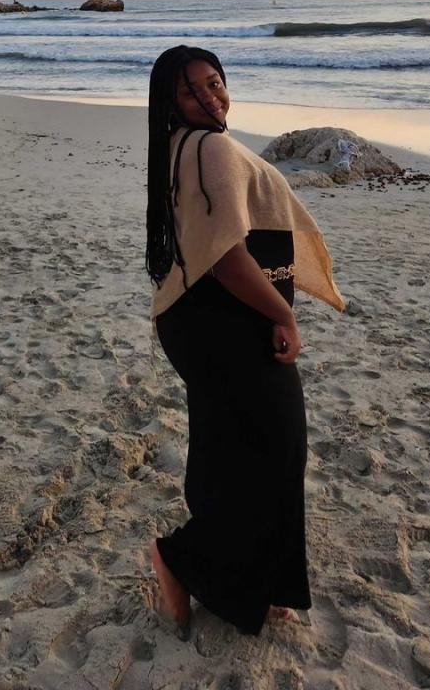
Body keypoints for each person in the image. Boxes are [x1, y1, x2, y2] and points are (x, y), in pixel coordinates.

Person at [144, 45, 345, 638]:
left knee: (229, 451)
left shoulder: (181, 145)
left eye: (216, 82)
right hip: (225, 319)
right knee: (276, 451)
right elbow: (229, 257)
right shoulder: (208, 148)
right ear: (171, 102)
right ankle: (178, 560)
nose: (210, 97)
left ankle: (254, 581)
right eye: (192, 91)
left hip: (198, 321)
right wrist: (284, 313)